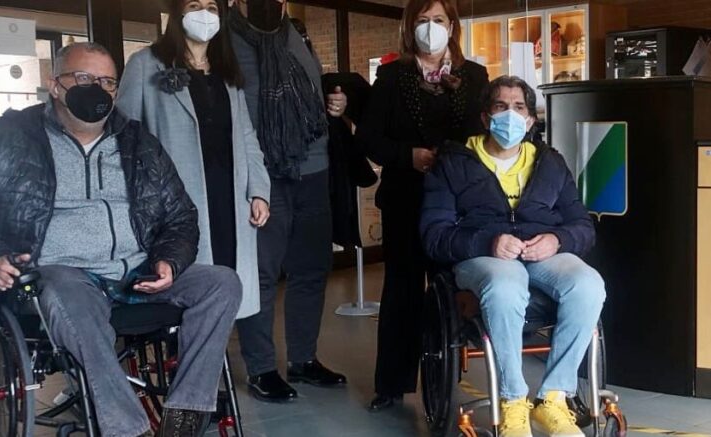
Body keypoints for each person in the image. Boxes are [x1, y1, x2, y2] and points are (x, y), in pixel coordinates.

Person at [0, 42, 242, 437]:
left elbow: (181, 216)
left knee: (222, 283)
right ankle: (127, 429)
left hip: (135, 272)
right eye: (84, 78)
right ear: (55, 84)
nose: (96, 89)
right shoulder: (4, 138)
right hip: (59, 275)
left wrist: (169, 260)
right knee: (68, 292)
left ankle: (185, 416)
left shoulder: (139, 143)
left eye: (107, 82)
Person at [420, 75, 606, 437]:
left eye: (519, 107)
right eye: (501, 106)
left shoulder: (550, 162)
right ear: (486, 117)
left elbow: (583, 225)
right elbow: (434, 235)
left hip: (542, 253)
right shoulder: (453, 163)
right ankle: (513, 401)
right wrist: (489, 242)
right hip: (484, 257)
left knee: (589, 285)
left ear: (531, 119)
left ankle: (554, 397)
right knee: (507, 284)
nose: (510, 115)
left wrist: (556, 239)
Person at [355, 0, 489, 411]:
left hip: (456, 203)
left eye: (438, 20)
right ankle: (392, 384)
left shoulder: (474, 75)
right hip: (405, 198)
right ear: (409, 26)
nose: (431, 27)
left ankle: (443, 377)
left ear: (452, 25)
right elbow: (369, 137)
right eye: (423, 20)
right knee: (402, 289)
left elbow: (481, 136)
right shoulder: (392, 76)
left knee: (450, 288)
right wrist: (407, 156)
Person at [117, 0, 270, 321]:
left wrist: (259, 190)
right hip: (176, 200)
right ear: (179, 13)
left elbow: (246, 136)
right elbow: (124, 136)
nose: (205, 14)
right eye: (195, 5)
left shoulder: (226, 70)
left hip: (230, 195)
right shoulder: (146, 64)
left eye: (212, 7)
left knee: (229, 288)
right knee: (189, 299)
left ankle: (216, 348)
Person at [227, 0, 348, 403]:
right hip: (263, 174)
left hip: (313, 169)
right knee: (261, 274)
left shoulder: (295, 35)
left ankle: (303, 359)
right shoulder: (225, 43)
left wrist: (334, 104)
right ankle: (261, 368)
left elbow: (311, 90)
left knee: (311, 269)